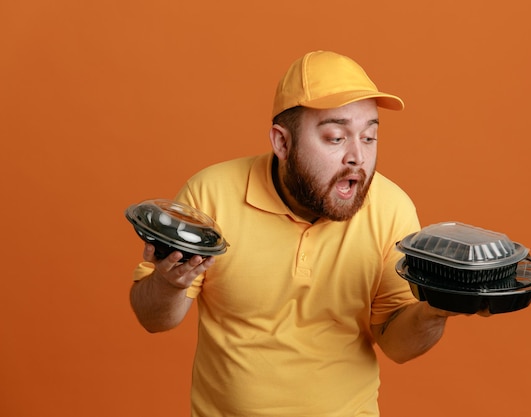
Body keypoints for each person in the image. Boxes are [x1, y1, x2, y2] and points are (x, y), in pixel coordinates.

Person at [130, 50, 458, 417]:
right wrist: (169, 282)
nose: (357, 157)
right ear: (282, 143)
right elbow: (153, 319)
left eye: (369, 137)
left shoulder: (391, 209)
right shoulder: (211, 195)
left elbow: (398, 346)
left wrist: (435, 309)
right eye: (336, 138)